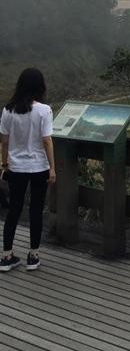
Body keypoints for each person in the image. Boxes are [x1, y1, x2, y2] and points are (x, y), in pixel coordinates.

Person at [0, 68, 56, 271]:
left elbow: (4, 142)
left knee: (14, 210)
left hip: (16, 167)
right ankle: (33, 256)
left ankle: (7, 256)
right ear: (40, 87)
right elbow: (47, 141)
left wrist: (4, 164)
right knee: (36, 210)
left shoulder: (8, 110)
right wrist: (52, 168)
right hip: (39, 167)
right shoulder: (44, 110)